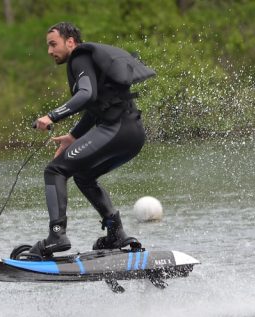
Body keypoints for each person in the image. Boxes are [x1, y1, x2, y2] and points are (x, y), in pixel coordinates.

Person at [28, 22, 150, 258]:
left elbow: (86, 95)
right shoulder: (91, 61)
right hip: (133, 134)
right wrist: (73, 136)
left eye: (53, 44)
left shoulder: (79, 59)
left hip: (116, 129)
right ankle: (116, 233)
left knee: (55, 170)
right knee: (84, 176)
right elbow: (97, 105)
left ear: (70, 42)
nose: (50, 51)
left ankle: (57, 236)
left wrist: (51, 116)